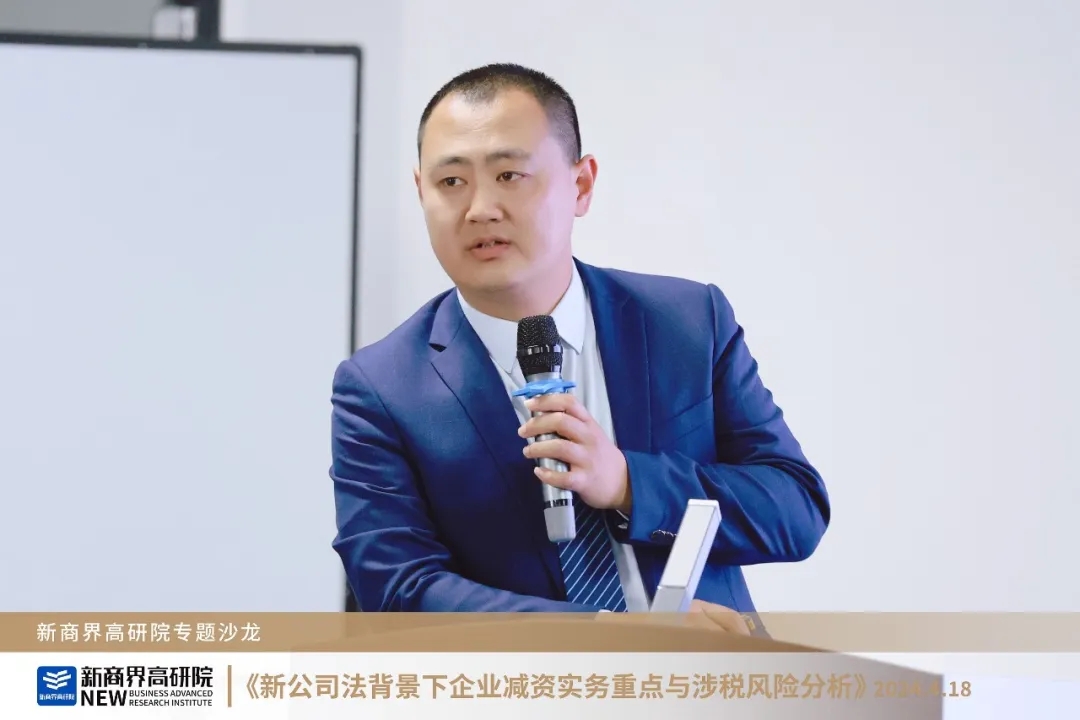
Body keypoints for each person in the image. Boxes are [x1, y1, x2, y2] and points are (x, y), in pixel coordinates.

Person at [330, 63, 830, 621]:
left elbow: (795, 510)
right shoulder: (381, 387)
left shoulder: (688, 321)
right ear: (420, 191)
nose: (480, 208)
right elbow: (398, 588)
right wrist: (608, 638)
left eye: (509, 175)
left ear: (581, 185)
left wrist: (629, 483)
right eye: (451, 182)